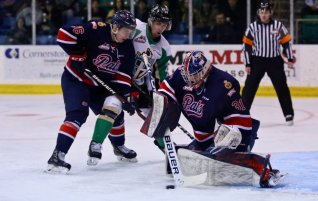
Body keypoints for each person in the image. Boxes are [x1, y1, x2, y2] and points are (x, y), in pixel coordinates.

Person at [141, 50, 286, 188]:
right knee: (197, 149)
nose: (190, 80)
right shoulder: (183, 73)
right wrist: (161, 100)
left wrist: (239, 141)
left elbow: (241, 119)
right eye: (187, 76)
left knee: (228, 134)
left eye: (195, 76)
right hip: (204, 131)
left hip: (235, 129)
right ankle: (207, 148)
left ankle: (248, 160)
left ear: (205, 71)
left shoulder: (225, 84)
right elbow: (167, 87)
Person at [46, 10, 137, 173]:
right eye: (126, 30)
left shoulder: (128, 47)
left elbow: (123, 76)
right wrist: (77, 55)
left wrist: (126, 99)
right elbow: (63, 33)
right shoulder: (96, 29)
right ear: (115, 27)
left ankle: (119, 147)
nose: (128, 34)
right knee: (77, 115)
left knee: (116, 115)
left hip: (99, 85)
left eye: (131, 31)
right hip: (76, 80)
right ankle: (57, 156)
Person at [87, 4, 172, 164]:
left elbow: (161, 76)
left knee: (157, 118)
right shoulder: (136, 27)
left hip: (139, 84)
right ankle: (95, 144)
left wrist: (160, 95)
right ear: (151, 21)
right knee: (113, 107)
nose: (161, 27)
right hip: (117, 79)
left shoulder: (164, 48)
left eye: (164, 24)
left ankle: (167, 149)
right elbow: (112, 32)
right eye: (158, 23)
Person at [242, 1, 295, 126]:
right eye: (261, 12)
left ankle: (288, 114)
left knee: (282, 87)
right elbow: (247, 46)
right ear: (258, 13)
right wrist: (248, 64)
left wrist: (290, 59)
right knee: (249, 88)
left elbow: (286, 43)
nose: (264, 14)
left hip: (274, 61)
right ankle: (242, 113)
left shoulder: (278, 26)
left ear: (270, 13)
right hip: (257, 61)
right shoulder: (252, 27)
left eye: (266, 12)